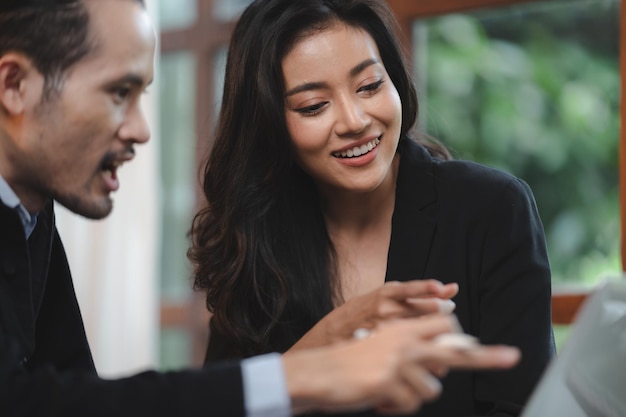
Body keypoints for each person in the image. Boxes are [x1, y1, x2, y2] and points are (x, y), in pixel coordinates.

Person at [0, 0, 522, 416]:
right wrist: (306, 371)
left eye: (369, 85)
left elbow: (66, 399)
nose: (142, 130)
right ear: (13, 86)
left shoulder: (30, 215)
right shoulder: (254, 234)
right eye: (119, 92)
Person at [189, 0, 555, 416]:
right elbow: (221, 405)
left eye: (369, 86)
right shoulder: (253, 238)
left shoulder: (492, 209)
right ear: (268, 125)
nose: (354, 120)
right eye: (313, 106)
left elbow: (527, 406)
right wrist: (322, 347)